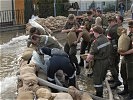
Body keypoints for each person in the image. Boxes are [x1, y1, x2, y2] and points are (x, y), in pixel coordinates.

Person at [86, 25, 111, 97]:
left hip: (99, 62)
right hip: (107, 61)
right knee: (102, 76)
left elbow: (90, 55)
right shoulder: (106, 39)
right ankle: (100, 91)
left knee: (97, 79)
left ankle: (99, 95)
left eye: (93, 32)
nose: (93, 34)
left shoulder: (96, 42)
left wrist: (87, 60)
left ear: (96, 32)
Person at [119, 20, 133, 99]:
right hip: (125, 57)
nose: (130, 29)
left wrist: (125, 53)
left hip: (131, 58)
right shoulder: (130, 34)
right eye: (129, 27)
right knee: (123, 72)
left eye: (131, 27)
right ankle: (126, 89)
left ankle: (131, 93)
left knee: (130, 76)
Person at [107, 16, 122, 89]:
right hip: (118, 48)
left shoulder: (111, 29)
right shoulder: (120, 27)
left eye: (110, 22)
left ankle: (116, 80)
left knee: (111, 64)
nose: (109, 23)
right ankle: (115, 78)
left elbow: (109, 39)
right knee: (116, 63)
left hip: (112, 49)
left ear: (114, 21)